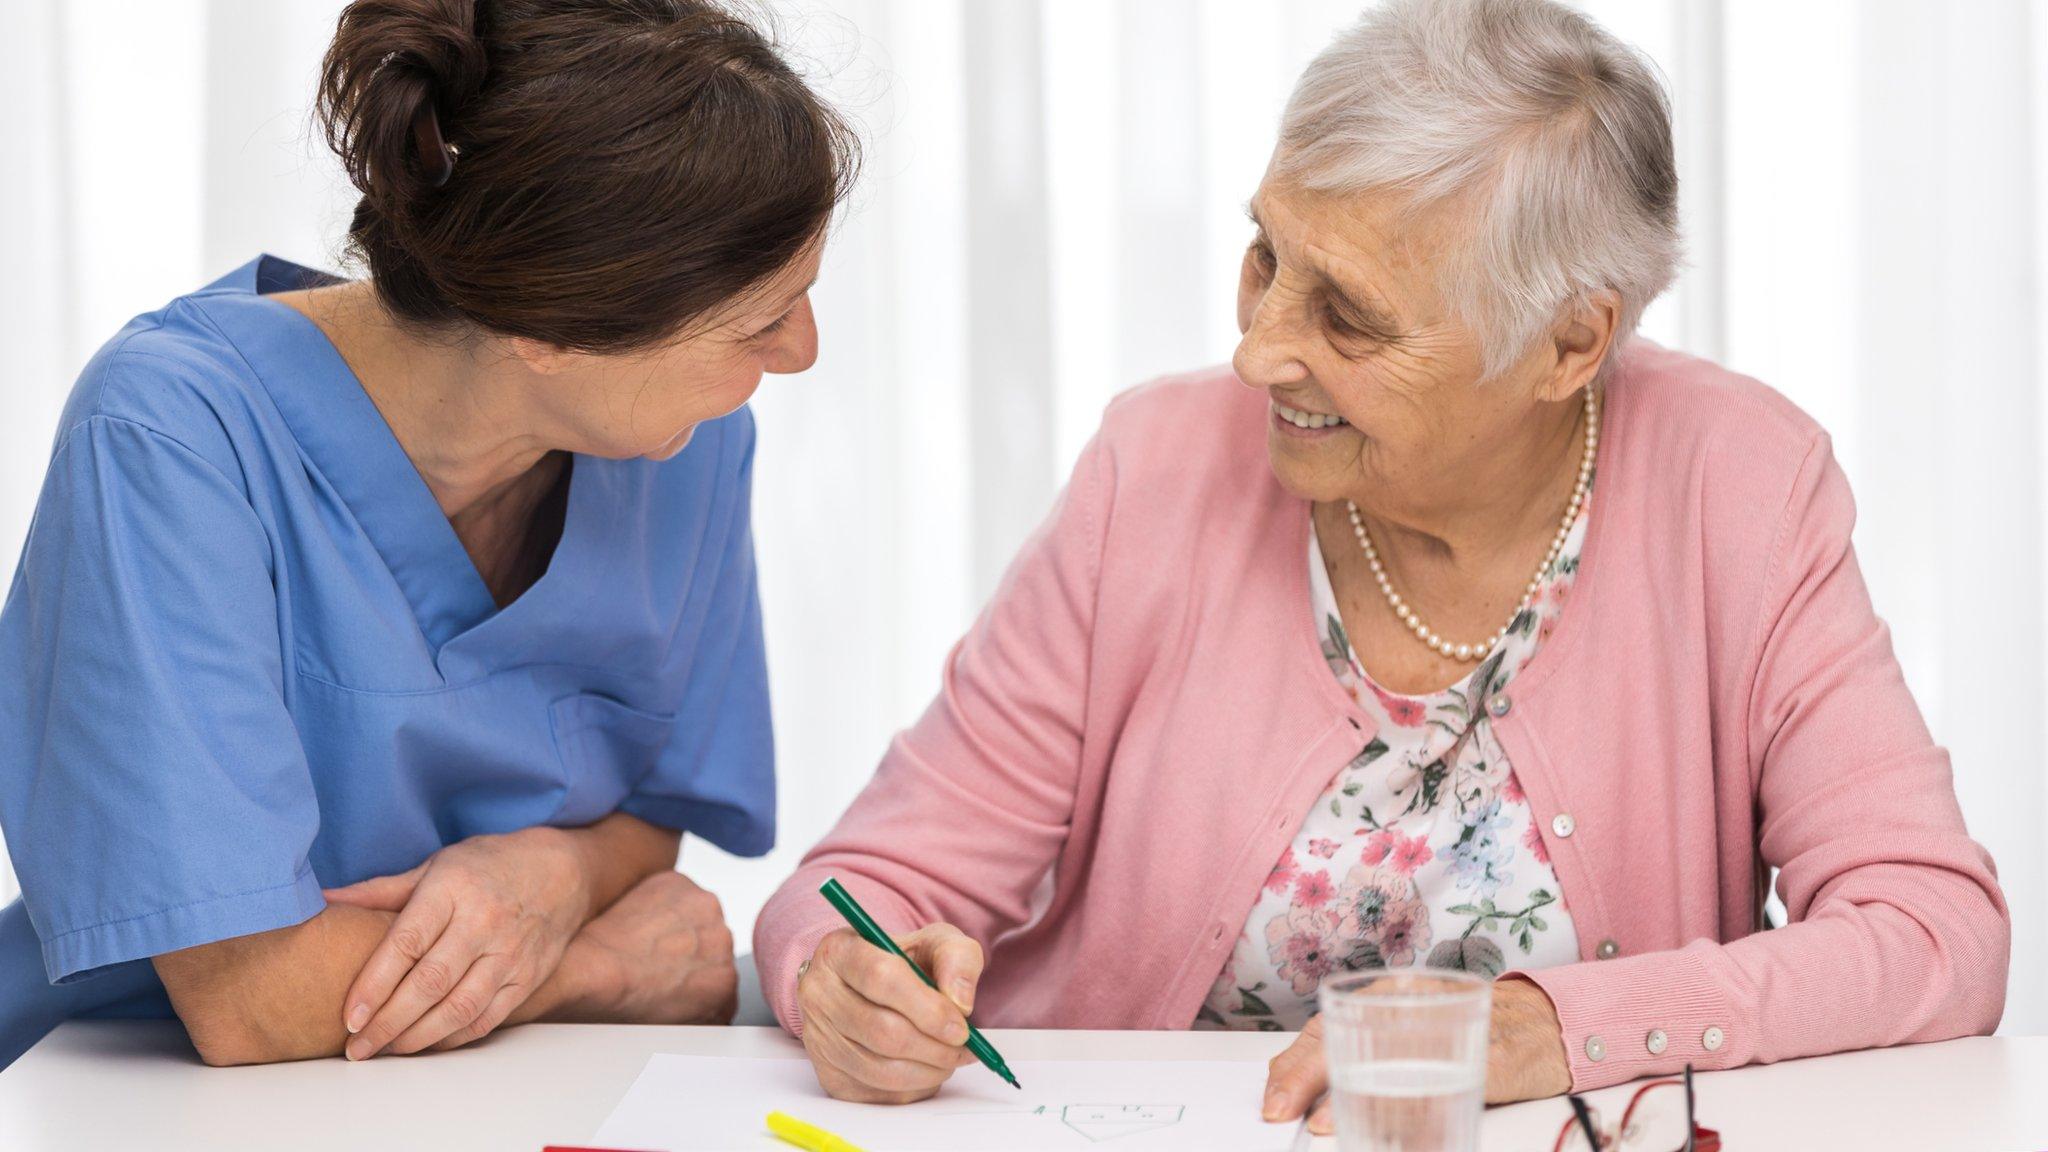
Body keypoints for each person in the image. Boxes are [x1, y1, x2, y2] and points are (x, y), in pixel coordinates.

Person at [752, 0, 2009, 1133]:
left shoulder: (1739, 485)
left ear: (1569, 342)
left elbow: (1931, 935)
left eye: (1345, 315)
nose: (1259, 351)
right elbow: (859, 886)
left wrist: (1544, 1031)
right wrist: (840, 982)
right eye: (1264, 257)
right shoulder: (1156, 467)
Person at [0, 0, 858, 1069]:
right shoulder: (175, 437)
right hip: (141, 1098)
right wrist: (594, 969)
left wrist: (550, 874)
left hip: (505, 1094)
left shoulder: (682, 448)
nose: (802, 352)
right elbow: (248, 998)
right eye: (759, 321)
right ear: (545, 329)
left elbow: (646, 819)